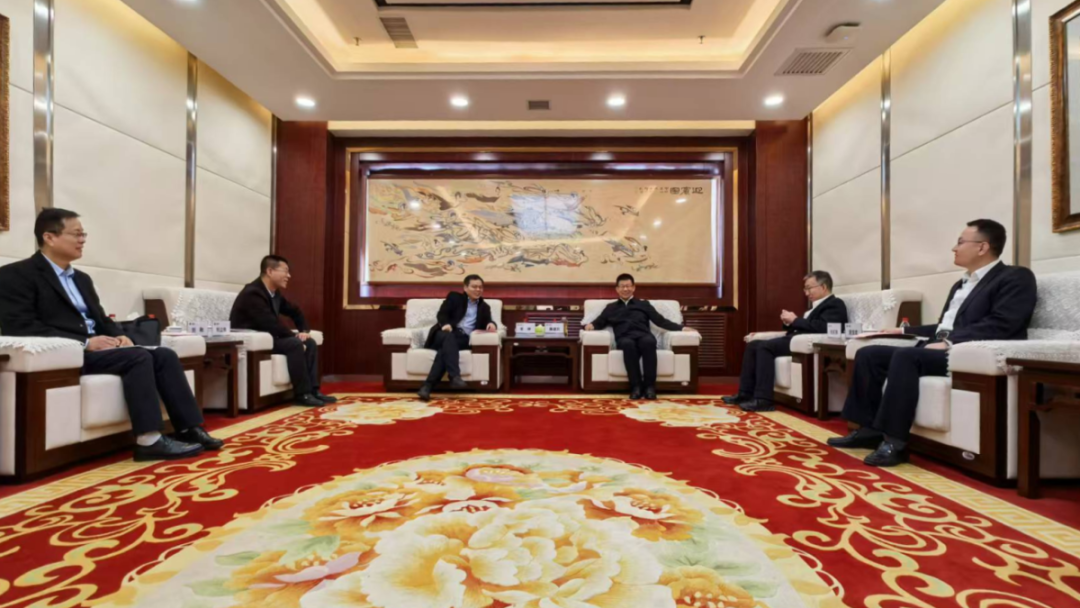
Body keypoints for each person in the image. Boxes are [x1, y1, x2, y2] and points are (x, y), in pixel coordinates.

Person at [0, 208, 223, 461]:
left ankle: (188, 429)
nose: (82, 240)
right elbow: (20, 326)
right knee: (139, 358)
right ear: (49, 237)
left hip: (100, 350)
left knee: (164, 355)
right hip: (67, 354)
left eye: (84, 234)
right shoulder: (15, 275)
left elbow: (102, 319)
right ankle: (149, 441)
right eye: (76, 234)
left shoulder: (81, 279)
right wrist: (85, 342)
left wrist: (121, 336)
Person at [827, 219, 1037, 467]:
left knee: (906, 356)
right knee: (869, 354)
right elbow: (942, 326)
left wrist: (949, 342)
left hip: (967, 352)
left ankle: (895, 443)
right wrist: (903, 330)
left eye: (960, 242)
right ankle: (868, 430)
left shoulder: (1015, 277)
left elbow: (1004, 324)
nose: (954, 248)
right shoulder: (961, 284)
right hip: (941, 347)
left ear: (982, 247)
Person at [723, 271, 848, 412]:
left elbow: (825, 327)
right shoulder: (816, 306)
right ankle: (745, 393)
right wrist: (789, 323)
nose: (806, 293)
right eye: (805, 289)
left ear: (823, 287)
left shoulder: (835, 304)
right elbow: (808, 325)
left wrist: (795, 320)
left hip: (803, 343)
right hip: (795, 340)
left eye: (809, 288)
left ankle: (764, 400)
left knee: (764, 347)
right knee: (753, 345)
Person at [230, 255, 336, 407]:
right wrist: (295, 337)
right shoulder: (253, 293)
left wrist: (304, 331)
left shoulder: (274, 293)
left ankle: (314, 390)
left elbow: (295, 311)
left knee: (309, 342)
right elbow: (270, 323)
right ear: (270, 271)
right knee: (294, 344)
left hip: (269, 338)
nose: (289, 276)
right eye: (285, 271)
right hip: (254, 341)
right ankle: (303, 394)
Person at [583, 273, 697, 400]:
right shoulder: (611, 307)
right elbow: (600, 321)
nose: (625, 289)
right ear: (617, 289)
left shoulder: (644, 304)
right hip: (624, 337)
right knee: (628, 344)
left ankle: (649, 387)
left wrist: (682, 328)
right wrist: (591, 325)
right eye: (622, 286)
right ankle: (636, 387)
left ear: (633, 287)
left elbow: (660, 321)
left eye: (628, 286)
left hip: (643, 335)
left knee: (649, 342)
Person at [418, 274, 498, 401]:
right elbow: (442, 314)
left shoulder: (484, 307)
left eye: (480, 287)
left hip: (462, 339)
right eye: (474, 287)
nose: (478, 290)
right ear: (465, 288)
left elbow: (488, 320)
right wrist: (445, 324)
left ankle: (427, 387)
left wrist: (491, 324)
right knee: (448, 338)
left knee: (444, 351)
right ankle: (455, 376)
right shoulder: (454, 297)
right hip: (444, 333)